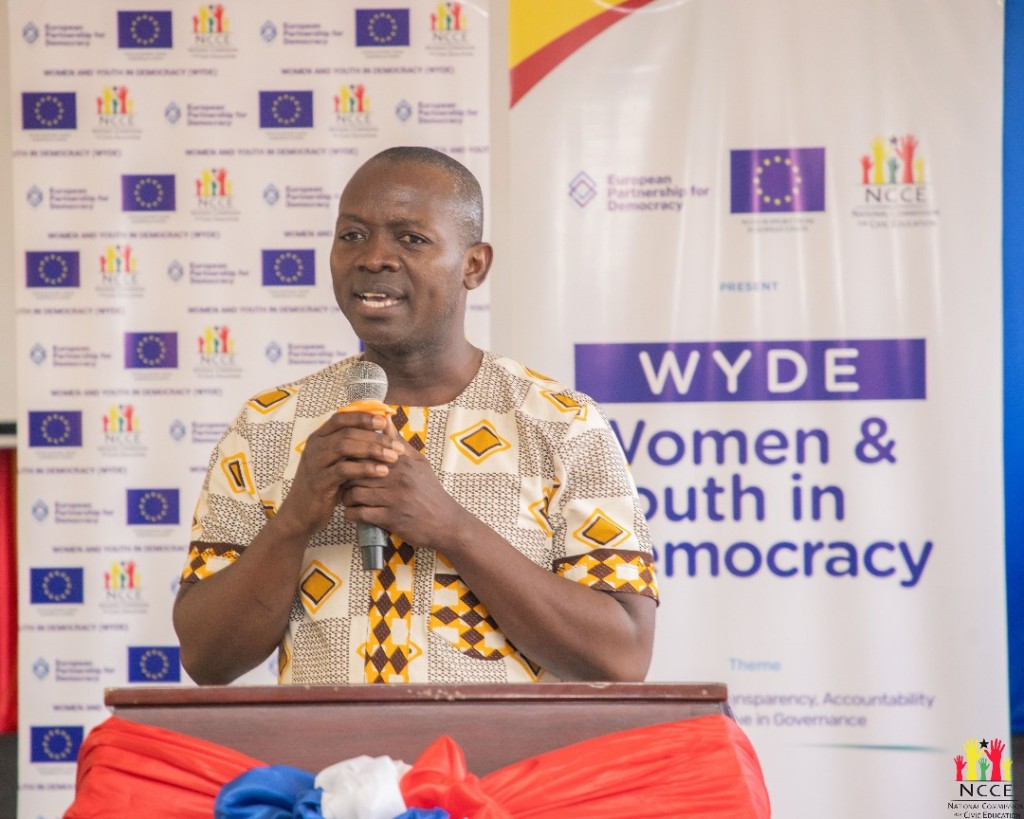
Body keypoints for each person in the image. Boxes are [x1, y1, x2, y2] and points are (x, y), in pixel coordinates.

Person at [173, 147, 658, 686]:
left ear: (473, 265)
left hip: (501, 745)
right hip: (325, 745)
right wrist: (294, 520)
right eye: (352, 235)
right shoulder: (268, 425)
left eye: (411, 239)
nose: (374, 258)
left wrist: (452, 528)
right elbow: (206, 659)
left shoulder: (562, 424)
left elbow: (623, 657)